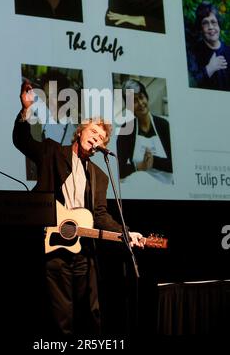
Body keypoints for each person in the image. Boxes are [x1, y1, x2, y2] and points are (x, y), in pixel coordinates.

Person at [13, 80, 144, 338]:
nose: (96, 139)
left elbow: (100, 216)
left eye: (101, 138)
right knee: (62, 321)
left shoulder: (99, 176)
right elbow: (23, 141)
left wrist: (126, 232)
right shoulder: (52, 152)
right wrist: (25, 110)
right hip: (54, 249)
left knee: (92, 315)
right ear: (81, 131)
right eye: (93, 132)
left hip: (84, 252)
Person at [117, 79, 173, 184]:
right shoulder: (127, 129)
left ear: (146, 97)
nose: (140, 103)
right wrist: (139, 166)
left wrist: (154, 161)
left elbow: (176, 165)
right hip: (140, 189)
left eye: (141, 97)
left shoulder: (163, 125)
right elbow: (118, 169)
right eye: (134, 101)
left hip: (166, 190)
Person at [25, 69, 78, 180]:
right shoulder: (39, 122)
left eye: (52, 96)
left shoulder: (74, 129)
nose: (48, 101)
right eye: (46, 96)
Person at [186, 1, 230, 91]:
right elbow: (191, 83)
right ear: (200, 29)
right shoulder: (194, 52)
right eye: (205, 23)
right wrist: (209, 68)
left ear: (219, 26)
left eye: (214, 22)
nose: (211, 27)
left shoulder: (228, 51)